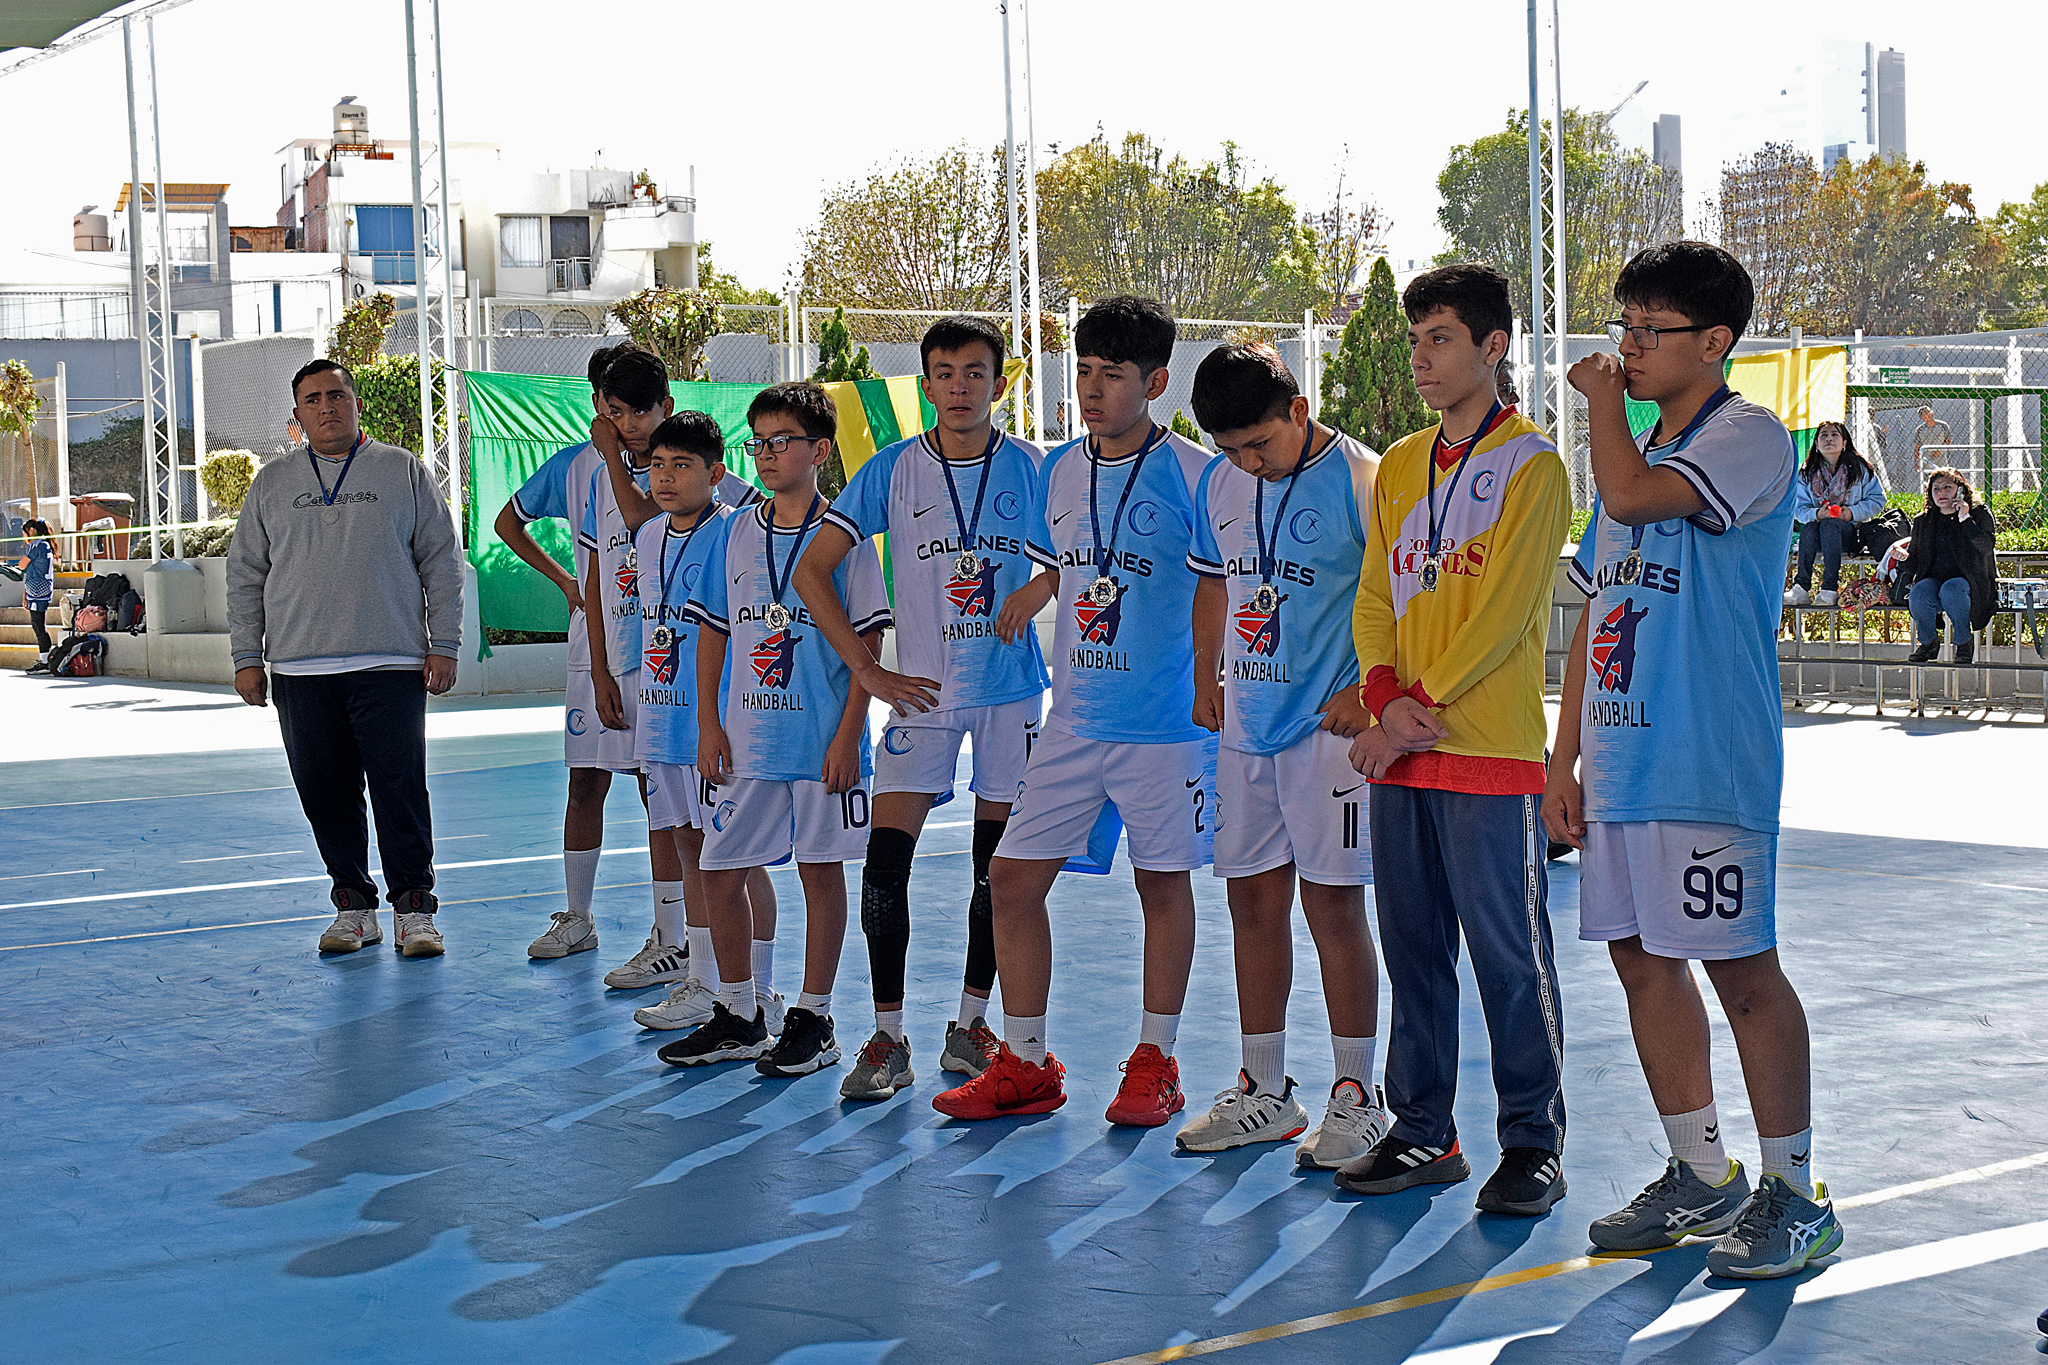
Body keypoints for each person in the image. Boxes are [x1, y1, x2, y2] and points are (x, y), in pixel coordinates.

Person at [1553, 239, 1840, 1280]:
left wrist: (1594, 407)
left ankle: (1794, 1190)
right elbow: (1597, 618)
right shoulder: (1630, 464)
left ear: (1713, 342)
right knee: (1640, 961)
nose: (1623, 347)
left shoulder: (1748, 438)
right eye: (1620, 324)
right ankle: (1697, 1171)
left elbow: (1629, 498)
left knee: (1740, 971)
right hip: (1624, 759)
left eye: (1647, 329)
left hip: (1703, 757)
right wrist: (1562, 760)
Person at [933, 295, 1217, 1127]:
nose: (1091, 389)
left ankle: (1155, 1059)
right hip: (1071, 723)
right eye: (1083, 371)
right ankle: (1026, 1061)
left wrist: (1216, 674)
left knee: (1161, 888)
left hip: (1163, 729)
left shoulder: (1197, 474)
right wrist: (1040, 584)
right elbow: (1075, 557)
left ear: (1156, 381)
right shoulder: (1057, 467)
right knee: (1012, 883)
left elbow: (1220, 579)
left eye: (1113, 375)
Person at [1341, 263, 1571, 1216]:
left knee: (1509, 953)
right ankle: (1424, 1128)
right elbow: (1373, 595)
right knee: (1414, 950)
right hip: (1404, 750)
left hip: (1490, 752)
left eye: (1441, 338)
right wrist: (1382, 696)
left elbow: (1510, 608)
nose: (1423, 358)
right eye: (1415, 340)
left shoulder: (1535, 466)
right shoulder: (1398, 464)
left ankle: (1534, 1140)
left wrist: (1409, 706)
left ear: (1493, 346)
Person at [791, 315, 1049, 1101]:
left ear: (999, 384)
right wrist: (868, 667)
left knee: (994, 873)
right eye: (944, 372)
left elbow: (1083, 556)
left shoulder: (1038, 468)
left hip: (1008, 694)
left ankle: (972, 1025)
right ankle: (888, 1032)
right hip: (925, 695)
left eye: (975, 372)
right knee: (884, 865)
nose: (959, 387)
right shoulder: (893, 470)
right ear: (926, 384)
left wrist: (1038, 587)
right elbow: (812, 572)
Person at [1173, 343, 1390, 1168]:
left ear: (1299, 411)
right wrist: (1207, 676)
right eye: (1230, 449)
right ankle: (1265, 1089)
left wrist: (1372, 692)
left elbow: (1399, 594)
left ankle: (1356, 1094)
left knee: (1333, 905)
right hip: (1245, 726)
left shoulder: (1362, 480)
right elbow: (1215, 582)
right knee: (1251, 903)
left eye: (1259, 444)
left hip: (1326, 732)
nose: (1247, 464)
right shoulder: (1221, 482)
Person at [497, 346, 768, 981]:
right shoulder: (579, 468)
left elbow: (726, 528)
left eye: (641, 410)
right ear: (600, 408)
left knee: (684, 809)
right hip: (615, 651)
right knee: (601, 786)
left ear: (667, 407)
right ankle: (591, 919)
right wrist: (588, 641)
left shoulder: (700, 475)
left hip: (684, 667)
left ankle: (691, 948)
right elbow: (588, 567)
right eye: (617, 411)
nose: (630, 424)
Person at [664, 381, 891, 1074]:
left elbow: (870, 645)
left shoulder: (846, 537)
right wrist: (707, 723)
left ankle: (815, 1016)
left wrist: (850, 734)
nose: (764, 454)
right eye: (757, 442)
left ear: (820, 450)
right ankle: (739, 1011)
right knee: (719, 869)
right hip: (748, 743)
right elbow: (711, 632)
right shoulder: (733, 529)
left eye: (781, 441)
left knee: (820, 876)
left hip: (823, 744)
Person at [226, 358, 463, 958]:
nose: (327, 406)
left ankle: (414, 909)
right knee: (323, 791)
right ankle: (353, 906)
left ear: (356, 402)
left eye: (336, 395)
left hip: (390, 662)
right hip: (301, 668)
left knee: (399, 788)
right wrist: (245, 656)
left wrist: (445, 644)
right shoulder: (273, 482)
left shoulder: (401, 469)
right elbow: (245, 574)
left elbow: (441, 560)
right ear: (298, 413)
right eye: (313, 399)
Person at [1899, 467, 1996, 665]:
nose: (1942, 493)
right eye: (1936, 489)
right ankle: (1929, 642)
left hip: (1968, 582)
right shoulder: (1923, 521)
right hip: (1934, 580)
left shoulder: (1978, 514)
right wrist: (1903, 558)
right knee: (1919, 593)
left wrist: (1965, 519)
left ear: (1960, 490)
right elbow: (1917, 564)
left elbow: (1986, 547)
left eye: (1947, 487)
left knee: (1951, 590)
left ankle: (1963, 643)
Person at [1785, 421, 1885, 607]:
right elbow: (1798, 509)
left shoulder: (1860, 469)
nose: (1829, 439)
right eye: (1823, 435)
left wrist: (1851, 513)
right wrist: (1817, 513)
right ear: (1816, 444)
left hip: (1849, 534)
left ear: (1844, 442)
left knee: (1830, 525)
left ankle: (1830, 589)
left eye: (1834, 435)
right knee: (1811, 527)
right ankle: (1801, 588)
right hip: (1816, 536)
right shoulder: (1806, 473)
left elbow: (1878, 500)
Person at [16, 518, 55, 673]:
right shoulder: (46, 545)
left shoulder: (36, 545)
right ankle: (45, 659)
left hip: (37, 590)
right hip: (40, 589)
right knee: (38, 625)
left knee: (38, 625)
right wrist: (25, 595)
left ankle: (46, 661)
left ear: (31, 530)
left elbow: (22, 565)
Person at [1911, 406, 1953, 476]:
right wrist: (1916, 462)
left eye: (1928, 412)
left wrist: (1939, 450)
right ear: (1922, 418)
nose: (1927, 415)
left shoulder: (1943, 426)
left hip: (1941, 460)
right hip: (1927, 462)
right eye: (1924, 414)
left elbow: (1948, 440)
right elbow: (1917, 447)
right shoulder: (1920, 430)